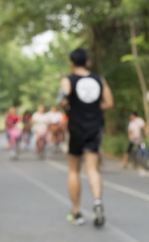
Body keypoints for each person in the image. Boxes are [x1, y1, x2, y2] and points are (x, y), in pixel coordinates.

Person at [59, 48, 114, 227]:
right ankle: (97, 201)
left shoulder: (68, 80)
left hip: (75, 127)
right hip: (94, 127)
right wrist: (94, 110)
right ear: (88, 62)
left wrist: (70, 107)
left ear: (72, 63)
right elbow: (109, 103)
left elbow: (63, 101)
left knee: (74, 170)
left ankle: (76, 212)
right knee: (92, 168)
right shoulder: (99, 79)